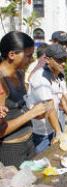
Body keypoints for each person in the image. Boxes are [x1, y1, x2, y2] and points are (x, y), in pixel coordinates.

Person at [0, 31, 48, 167]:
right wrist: (30, 114)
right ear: (11, 55)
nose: (32, 59)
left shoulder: (20, 74)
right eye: (28, 56)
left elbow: (20, 109)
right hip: (11, 150)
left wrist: (35, 113)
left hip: (29, 142)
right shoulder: (2, 82)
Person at [27, 44, 67, 153]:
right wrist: (59, 132)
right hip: (41, 134)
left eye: (65, 59)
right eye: (59, 60)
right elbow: (49, 106)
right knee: (43, 165)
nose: (63, 63)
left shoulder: (59, 76)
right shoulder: (40, 77)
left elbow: (65, 101)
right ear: (47, 59)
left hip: (53, 128)